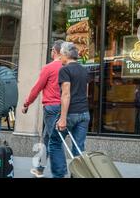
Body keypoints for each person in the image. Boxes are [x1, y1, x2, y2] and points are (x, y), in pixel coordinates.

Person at [22, 40, 64, 178]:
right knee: (46, 138)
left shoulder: (49, 67)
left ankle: (60, 173)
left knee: (55, 141)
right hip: (64, 107)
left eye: (52, 49)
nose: (51, 52)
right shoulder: (67, 67)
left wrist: (27, 103)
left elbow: (37, 88)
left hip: (51, 108)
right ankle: (40, 168)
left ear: (55, 51)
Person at [48, 42, 90, 178]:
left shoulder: (65, 70)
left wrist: (63, 118)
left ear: (66, 55)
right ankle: (78, 176)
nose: (60, 57)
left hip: (70, 113)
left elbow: (66, 94)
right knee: (79, 147)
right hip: (84, 113)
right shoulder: (84, 70)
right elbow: (86, 93)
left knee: (54, 142)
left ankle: (59, 175)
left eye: (61, 55)